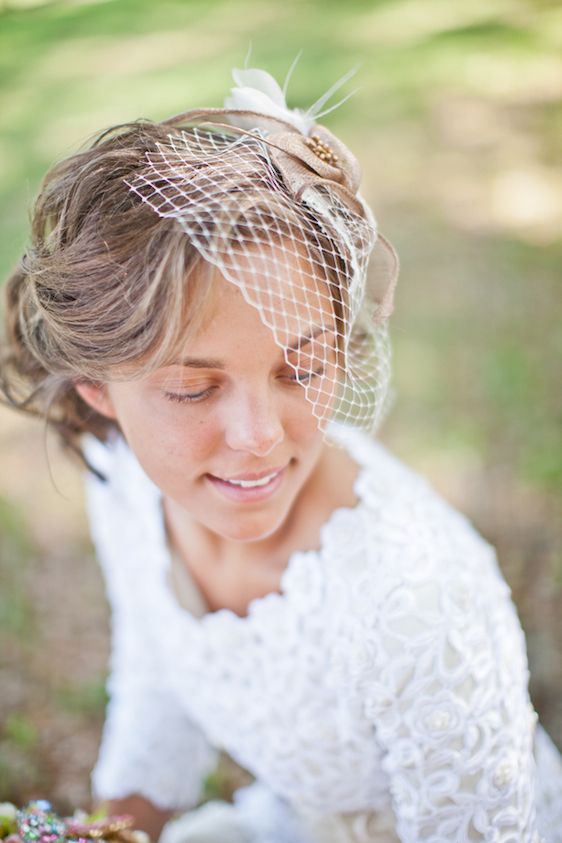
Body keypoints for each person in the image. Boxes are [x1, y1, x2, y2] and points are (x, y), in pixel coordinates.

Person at [1, 65, 561, 843]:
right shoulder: (127, 487)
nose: (260, 433)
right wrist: (110, 829)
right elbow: (159, 677)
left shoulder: (413, 600)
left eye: (302, 368)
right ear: (97, 389)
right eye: (195, 389)